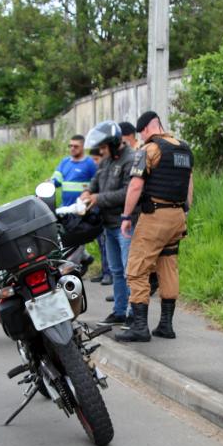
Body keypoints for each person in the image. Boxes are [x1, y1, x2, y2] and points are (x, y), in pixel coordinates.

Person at [116, 111, 192, 342]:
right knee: (168, 267)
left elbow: (136, 186)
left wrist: (126, 216)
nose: (142, 137)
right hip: (177, 215)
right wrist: (184, 212)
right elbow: (189, 185)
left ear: (146, 129)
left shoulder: (150, 150)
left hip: (155, 216)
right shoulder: (184, 149)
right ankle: (165, 326)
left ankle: (139, 327)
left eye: (142, 133)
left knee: (137, 269)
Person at [81, 121, 136, 326]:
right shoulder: (106, 161)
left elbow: (127, 193)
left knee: (129, 270)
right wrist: (87, 192)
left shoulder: (130, 160)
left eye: (103, 147)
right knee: (116, 270)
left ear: (113, 144)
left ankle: (133, 314)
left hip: (126, 224)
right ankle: (119, 311)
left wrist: (97, 198)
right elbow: (95, 181)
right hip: (108, 224)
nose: (101, 151)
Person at [51, 136, 108, 284]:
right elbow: (55, 180)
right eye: (70, 146)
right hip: (67, 210)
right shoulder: (65, 162)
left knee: (79, 239)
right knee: (70, 240)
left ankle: (73, 272)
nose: (72, 148)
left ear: (82, 147)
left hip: (84, 211)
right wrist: (47, 186)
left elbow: (98, 182)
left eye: (75, 146)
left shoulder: (90, 163)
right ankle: (86, 258)